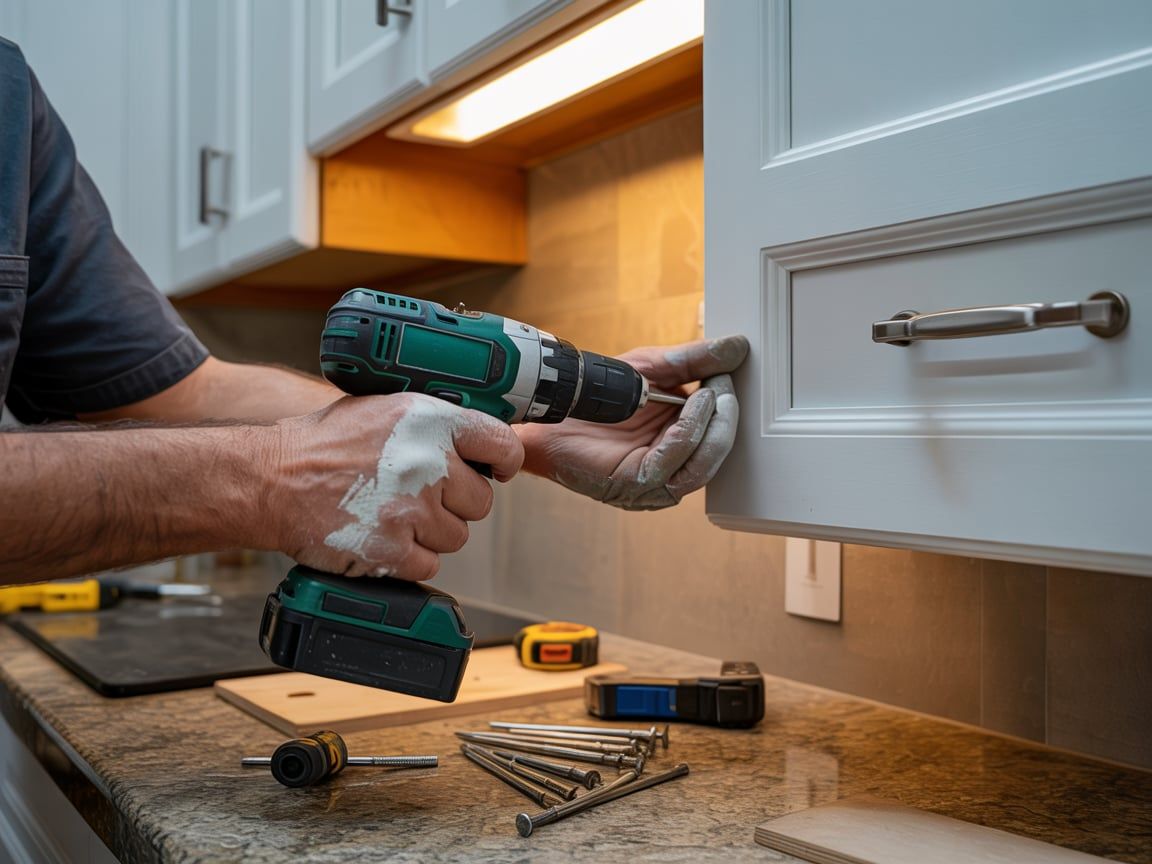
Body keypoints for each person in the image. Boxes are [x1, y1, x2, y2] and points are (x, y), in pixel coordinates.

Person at [0, 39, 748, 586]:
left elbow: (177, 395)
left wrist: (526, 431)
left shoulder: (11, 98)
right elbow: (279, 461)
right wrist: (271, 478)